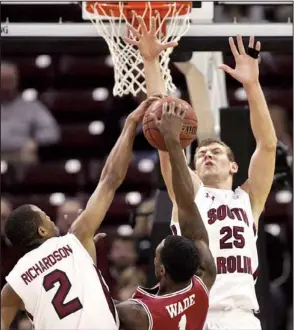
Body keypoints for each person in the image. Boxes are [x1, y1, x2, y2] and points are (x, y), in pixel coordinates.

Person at [126, 16, 277, 329]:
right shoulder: (191, 193)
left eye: (217, 152)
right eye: (201, 154)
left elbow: (267, 145)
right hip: (197, 314)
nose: (207, 154)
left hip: (242, 318)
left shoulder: (248, 199)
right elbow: (161, 127)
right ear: (192, 167)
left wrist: (252, 84)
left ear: (234, 166)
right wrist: (151, 62)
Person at [1, 96, 160, 330]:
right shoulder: (75, 240)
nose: (50, 216)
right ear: (41, 229)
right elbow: (109, 179)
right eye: (45, 214)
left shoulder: (13, 283)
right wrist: (130, 124)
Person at [116, 104, 216, 330]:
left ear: (161, 270)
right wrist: (172, 142)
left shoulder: (138, 313)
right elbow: (186, 204)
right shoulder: (203, 285)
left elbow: (91, 306)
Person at [1, 61, 60, 163]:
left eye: (9, 81)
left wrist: (35, 142)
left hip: (19, 154)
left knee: (28, 158)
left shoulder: (31, 106)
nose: (5, 86)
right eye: (2, 81)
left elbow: (52, 131)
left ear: (16, 81)